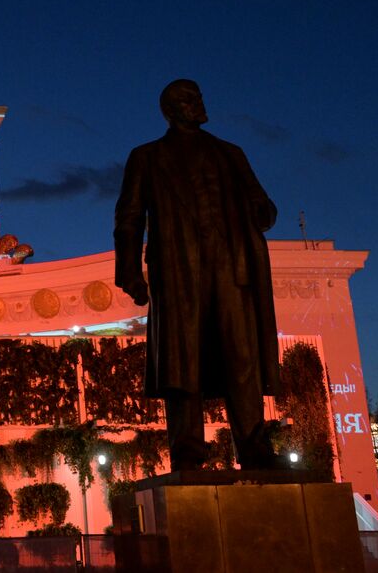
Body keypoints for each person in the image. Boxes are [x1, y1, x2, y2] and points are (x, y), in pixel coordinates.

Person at [113, 79, 281, 471]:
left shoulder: (229, 154)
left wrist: (262, 212)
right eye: (190, 100)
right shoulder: (147, 157)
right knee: (182, 362)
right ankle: (188, 451)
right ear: (171, 110)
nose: (199, 104)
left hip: (231, 269)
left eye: (200, 97)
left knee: (243, 359)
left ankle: (254, 448)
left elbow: (262, 203)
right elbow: (129, 216)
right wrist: (129, 271)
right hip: (176, 272)